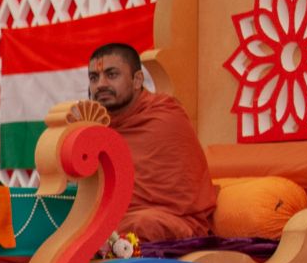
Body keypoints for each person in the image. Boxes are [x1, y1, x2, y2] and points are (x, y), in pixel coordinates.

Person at [88, 43, 218, 243]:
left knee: (142, 224)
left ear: (137, 79)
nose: (101, 85)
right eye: (94, 78)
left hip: (169, 218)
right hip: (115, 219)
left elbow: (180, 197)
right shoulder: (97, 124)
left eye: (111, 75)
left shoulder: (163, 116)